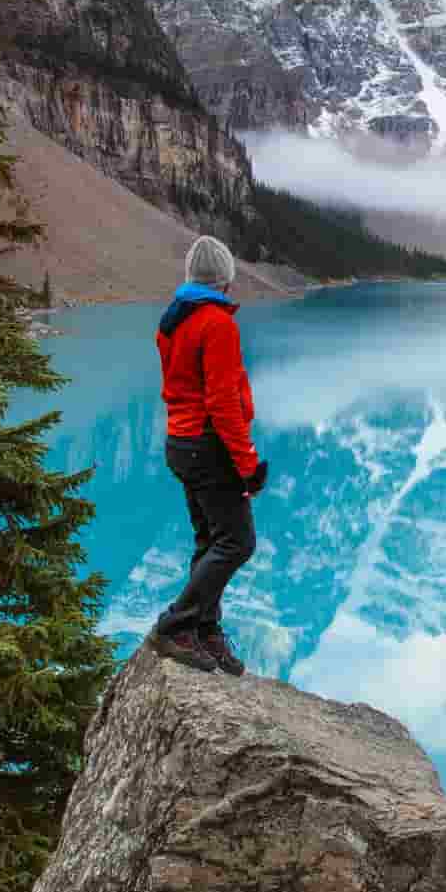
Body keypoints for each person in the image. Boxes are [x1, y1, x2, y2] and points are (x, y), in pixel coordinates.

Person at [149, 235, 266, 675]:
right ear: (225, 280)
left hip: (181, 443)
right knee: (237, 541)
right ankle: (176, 625)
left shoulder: (173, 320)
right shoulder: (216, 323)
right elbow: (222, 403)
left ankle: (204, 629)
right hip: (207, 445)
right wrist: (248, 465)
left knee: (210, 539)